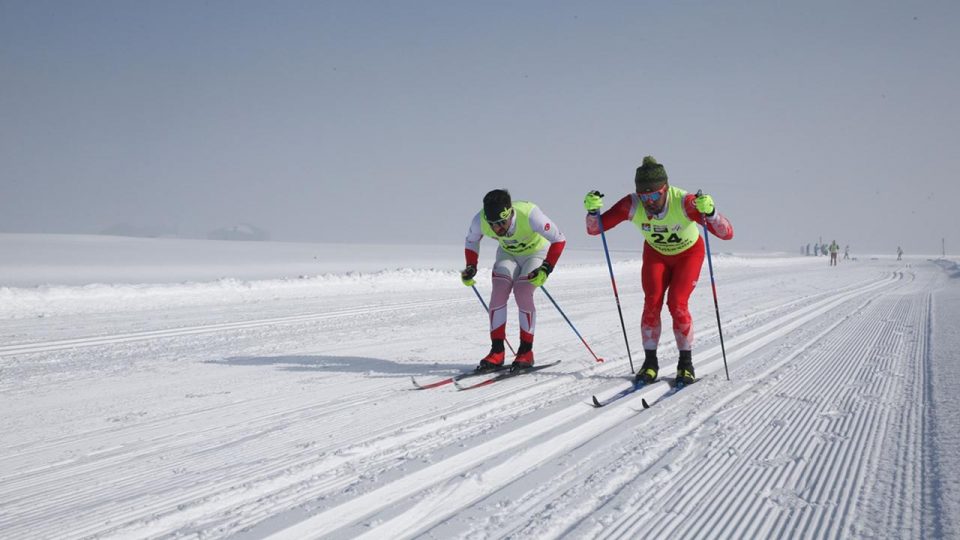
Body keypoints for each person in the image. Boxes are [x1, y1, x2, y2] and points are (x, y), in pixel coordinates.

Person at [583, 156, 734, 385]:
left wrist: (711, 212)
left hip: (688, 255)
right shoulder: (631, 204)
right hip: (657, 255)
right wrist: (592, 212)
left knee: (677, 303)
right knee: (652, 302)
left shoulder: (685, 202)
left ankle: (685, 364)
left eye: (654, 195)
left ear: (666, 189)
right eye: (644, 196)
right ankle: (650, 363)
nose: (649, 202)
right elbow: (595, 230)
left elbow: (726, 233)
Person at [461, 189, 566, 371]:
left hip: (535, 253)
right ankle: (497, 351)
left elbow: (559, 239)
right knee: (499, 290)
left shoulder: (530, 214)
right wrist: (471, 266)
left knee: (522, 291)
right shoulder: (479, 220)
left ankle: (526, 351)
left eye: (502, 223)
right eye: (493, 224)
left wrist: (546, 268)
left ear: (510, 213)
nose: (497, 229)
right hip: (508, 253)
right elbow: (471, 241)